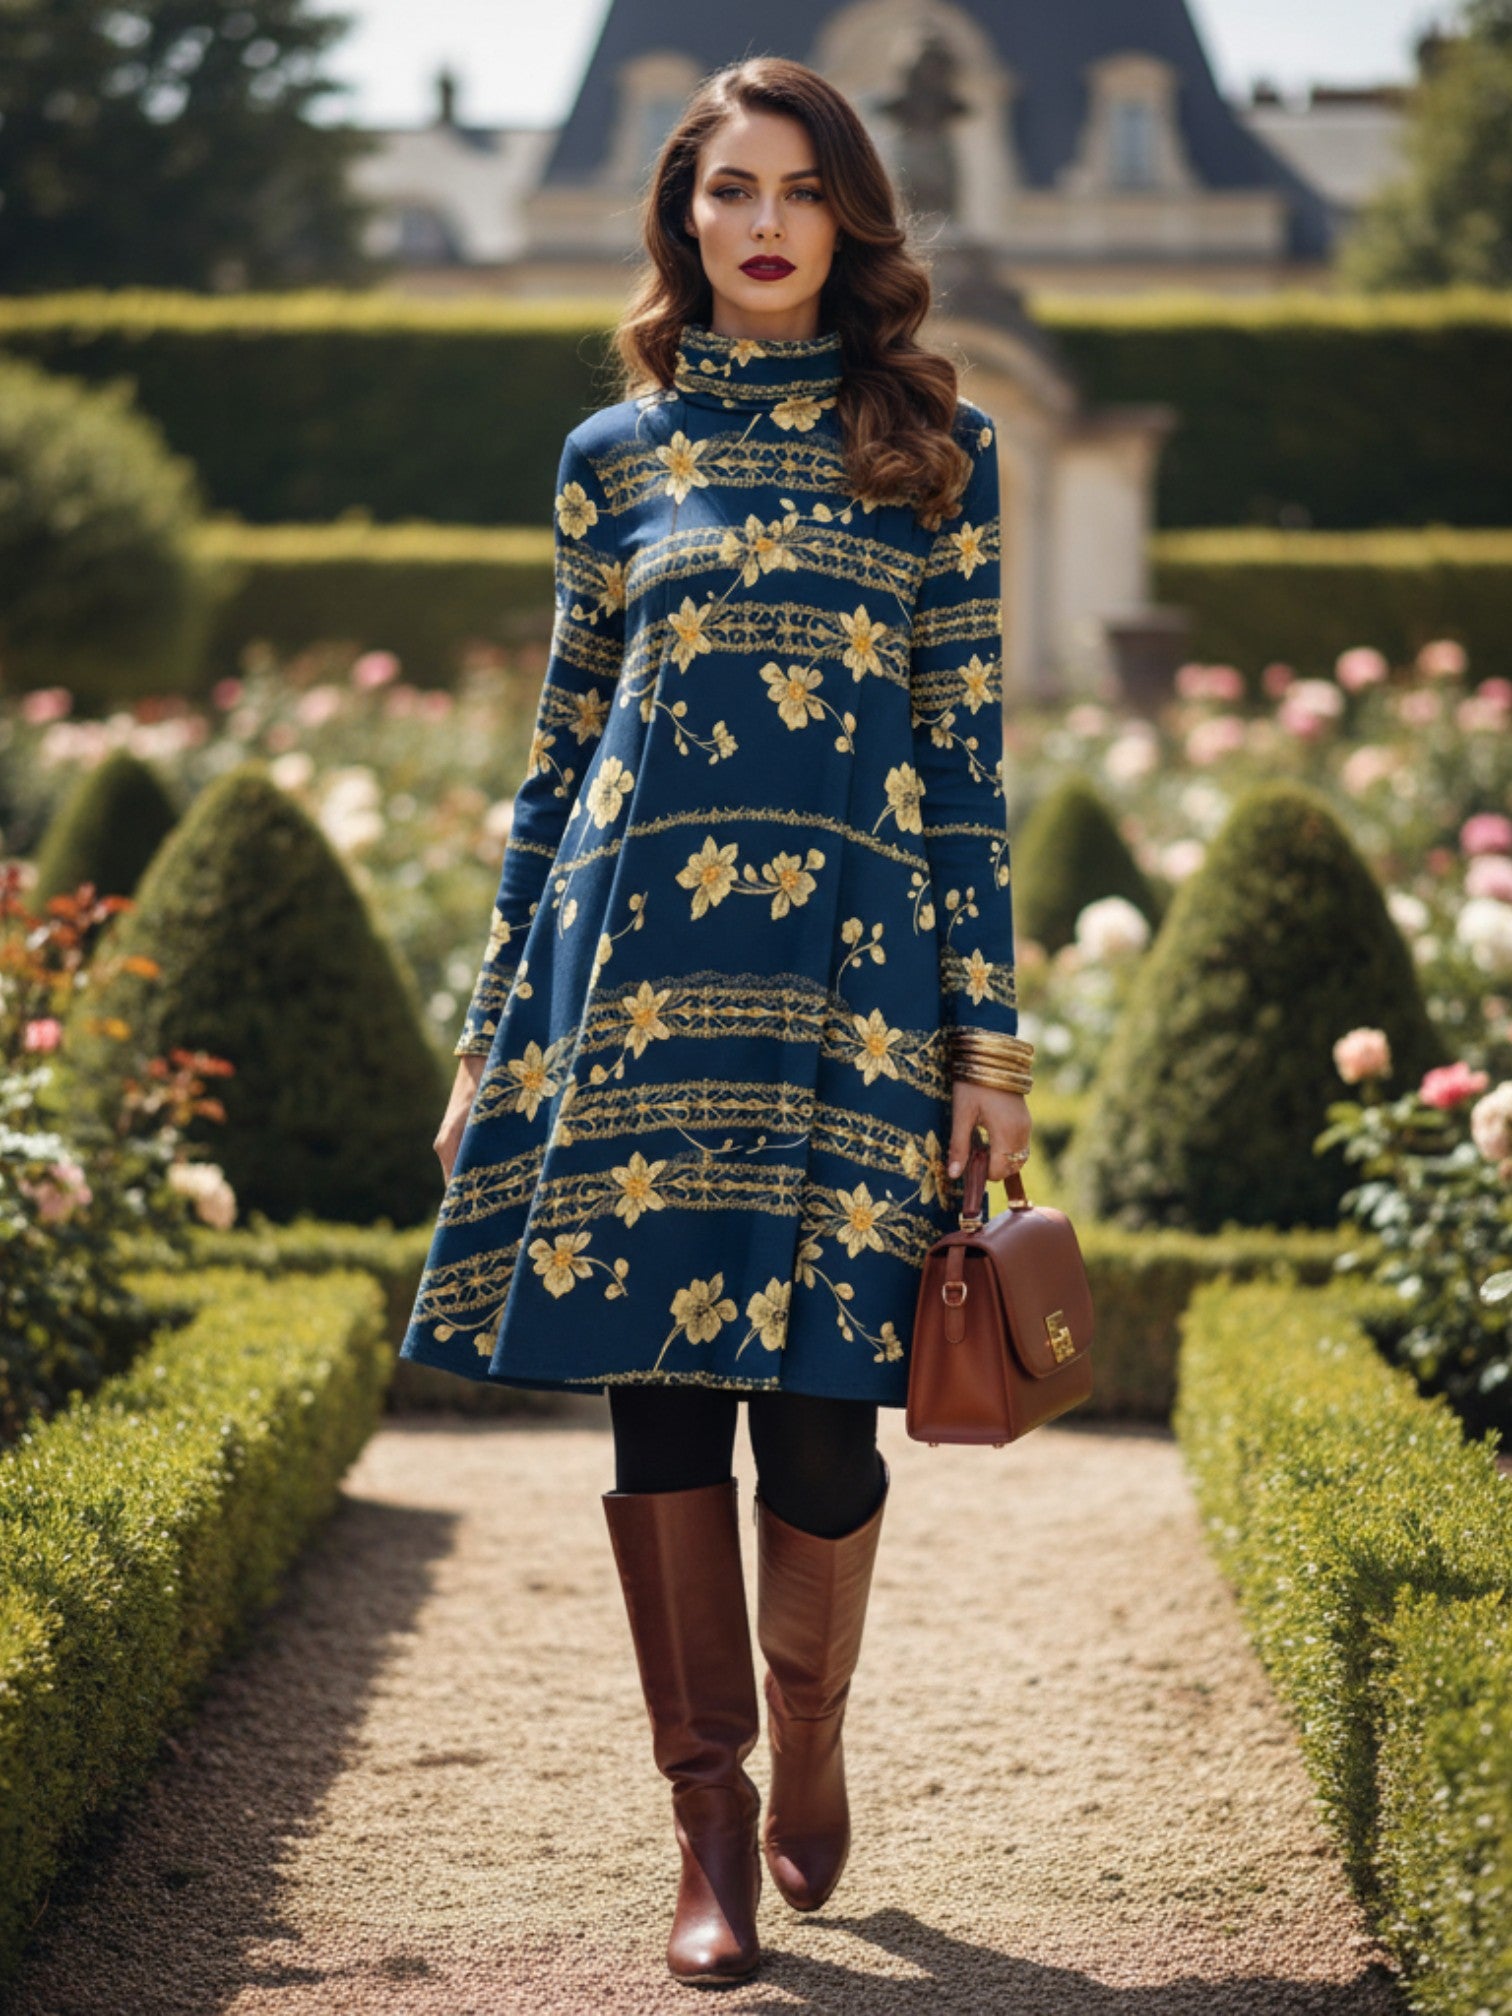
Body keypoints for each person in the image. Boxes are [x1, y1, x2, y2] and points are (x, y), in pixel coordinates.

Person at [399, 53, 1033, 1988]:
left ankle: (812, 1740)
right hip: (634, 991)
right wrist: (494, 1024)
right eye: (729, 190)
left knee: (827, 1433)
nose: (763, 225)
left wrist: (988, 1049)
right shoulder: (615, 456)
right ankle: (707, 1831)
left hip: (850, 995)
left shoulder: (939, 446)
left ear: (850, 219)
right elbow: (555, 759)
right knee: (660, 1405)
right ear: (683, 216)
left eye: (800, 192)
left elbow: (967, 765)